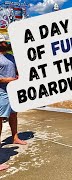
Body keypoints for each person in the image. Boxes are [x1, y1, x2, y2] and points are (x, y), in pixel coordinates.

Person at [0, 36, 27, 170]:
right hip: (1, 93)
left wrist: (19, 76)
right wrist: (8, 80)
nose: (9, 43)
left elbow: (17, 70)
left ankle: (15, 137)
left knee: (13, 114)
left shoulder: (11, 57)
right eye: (6, 42)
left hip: (12, 92)